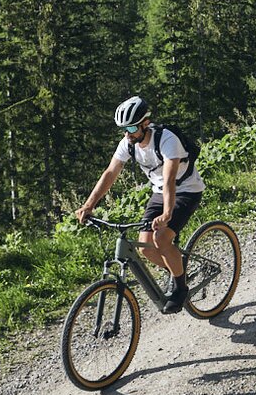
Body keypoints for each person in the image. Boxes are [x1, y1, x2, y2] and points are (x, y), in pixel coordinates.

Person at [74, 94, 202, 311]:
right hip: (159, 192)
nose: (127, 134)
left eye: (132, 129)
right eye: (124, 129)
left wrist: (167, 214)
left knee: (161, 238)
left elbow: (170, 178)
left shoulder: (167, 140)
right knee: (146, 248)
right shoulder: (128, 143)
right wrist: (89, 205)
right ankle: (179, 269)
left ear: (145, 124)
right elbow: (110, 173)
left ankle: (181, 288)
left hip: (186, 190)